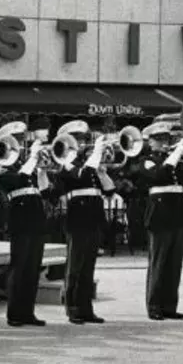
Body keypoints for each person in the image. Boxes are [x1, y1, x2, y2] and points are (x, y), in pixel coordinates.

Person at [54, 124, 115, 324]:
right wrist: (96, 152)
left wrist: (103, 172)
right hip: (78, 220)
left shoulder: (90, 164)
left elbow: (109, 190)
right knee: (75, 267)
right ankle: (72, 308)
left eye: (83, 139)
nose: (81, 143)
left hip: (94, 219)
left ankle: (86, 308)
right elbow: (82, 175)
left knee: (88, 267)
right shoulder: (66, 165)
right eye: (77, 139)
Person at [140, 131, 183, 320]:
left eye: (166, 139)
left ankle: (169, 305)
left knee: (174, 264)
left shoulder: (177, 162)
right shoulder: (147, 160)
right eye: (158, 140)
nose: (164, 143)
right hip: (160, 214)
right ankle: (154, 306)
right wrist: (177, 153)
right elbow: (158, 175)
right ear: (150, 142)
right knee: (159, 262)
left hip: (178, 213)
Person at [0, 128, 51, 327]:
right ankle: (15, 313)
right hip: (20, 222)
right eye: (15, 141)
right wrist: (33, 159)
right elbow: (17, 180)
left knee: (33, 268)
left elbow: (45, 192)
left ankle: (28, 312)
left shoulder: (28, 166)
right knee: (19, 268)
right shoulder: (2, 166)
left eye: (20, 140)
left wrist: (43, 169)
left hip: (36, 220)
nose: (18, 146)